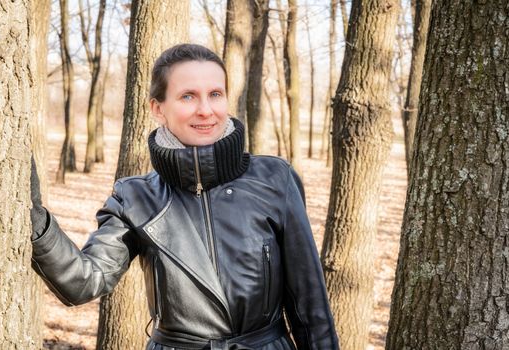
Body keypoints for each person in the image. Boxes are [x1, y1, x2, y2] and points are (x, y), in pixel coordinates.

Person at [30, 43, 339, 350]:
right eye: (188, 96)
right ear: (158, 108)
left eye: (215, 94)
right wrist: (35, 221)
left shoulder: (274, 179)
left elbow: (310, 306)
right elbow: (84, 282)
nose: (205, 110)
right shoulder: (136, 197)